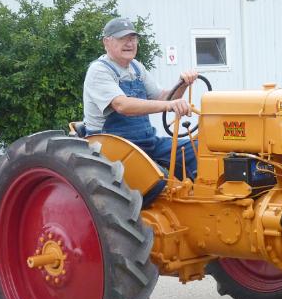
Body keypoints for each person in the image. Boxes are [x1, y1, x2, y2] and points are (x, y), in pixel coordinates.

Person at [83, 17, 199, 179]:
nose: (129, 43)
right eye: (122, 38)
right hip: (112, 148)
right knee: (158, 182)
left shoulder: (137, 68)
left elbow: (164, 99)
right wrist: (170, 105)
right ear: (106, 42)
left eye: (132, 38)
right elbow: (122, 105)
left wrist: (183, 83)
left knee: (198, 150)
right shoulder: (99, 71)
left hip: (146, 143)